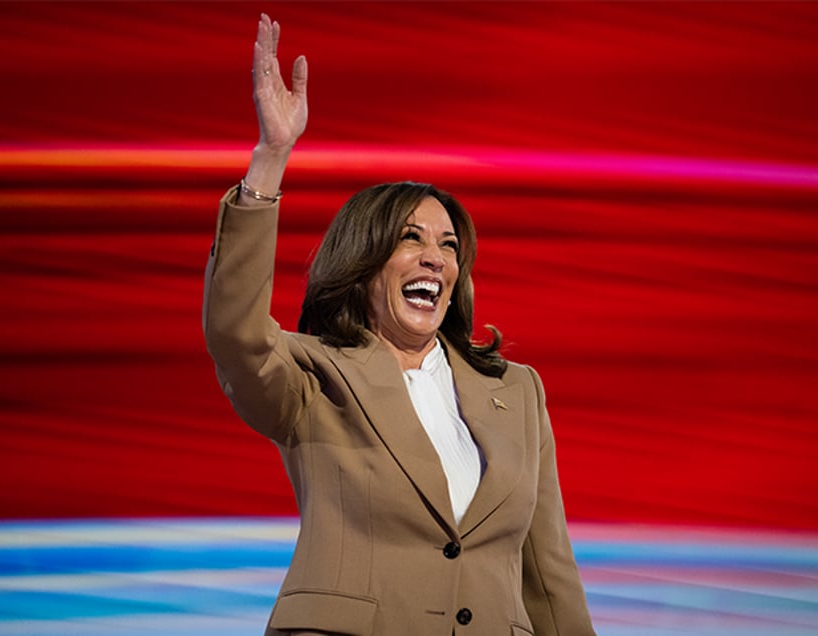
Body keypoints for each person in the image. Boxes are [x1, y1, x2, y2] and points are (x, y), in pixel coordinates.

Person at [203, 14, 596, 636]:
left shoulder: (516, 390)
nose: (434, 257)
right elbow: (235, 335)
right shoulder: (313, 378)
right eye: (410, 239)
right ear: (362, 266)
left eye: (447, 244)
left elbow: (546, 572)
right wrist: (270, 160)